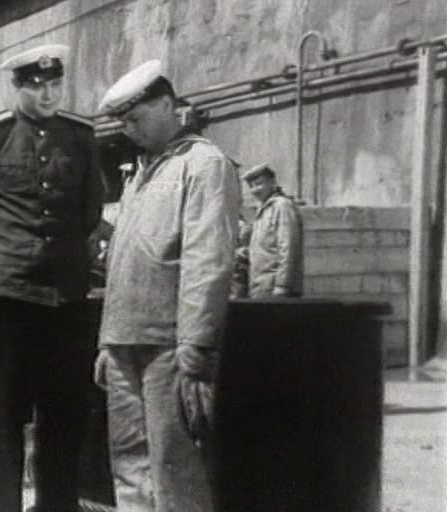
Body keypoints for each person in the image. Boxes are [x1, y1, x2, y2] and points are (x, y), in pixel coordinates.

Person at [0, 44, 102, 512]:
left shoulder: (79, 135)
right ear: (18, 87)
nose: (49, 94)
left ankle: (56, 505)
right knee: (5, 410)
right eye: (37, 87)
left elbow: (90, 210)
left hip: (66, 291)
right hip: (9, 291)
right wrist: (7, 253)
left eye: (55, 84)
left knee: (64, 407)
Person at [94, 60, 241, 512]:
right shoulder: (140, 173)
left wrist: (195, 346)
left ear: (166, 105)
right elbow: (122, 261)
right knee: (129, 463)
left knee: (174, 466)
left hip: (168, 346)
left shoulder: (203, 165)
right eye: (123, 122)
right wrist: (106, 341)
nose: (129, 129)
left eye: (135, 118)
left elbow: (207, 261)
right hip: (124, 341)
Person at [243, 162, 304, 298]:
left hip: (275, 288)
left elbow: (288, 247)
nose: (255, 190)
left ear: (272, 182)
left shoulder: (282, 206)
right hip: (260, 286)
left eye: (259, 184)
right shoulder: (264, 209)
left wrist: (283, 284)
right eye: (251, 186)